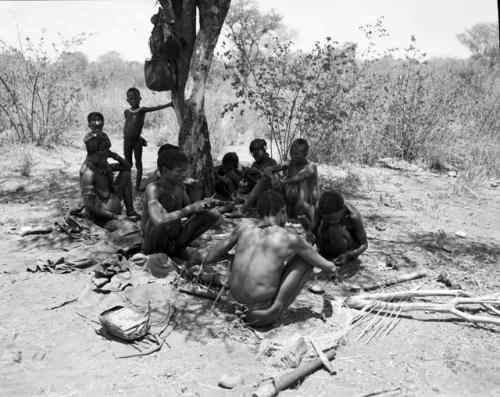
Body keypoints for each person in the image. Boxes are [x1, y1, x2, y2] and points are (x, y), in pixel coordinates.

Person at [204, 190, 337, 328]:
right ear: (282, 211)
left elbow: (210, 257)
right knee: (306, 260)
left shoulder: (244, 227)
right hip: (258, 316)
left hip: (231, 307)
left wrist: (234, 257)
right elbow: (329, 266)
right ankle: (279, 308)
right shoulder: (287, 237)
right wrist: (330, 266)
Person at [141, 148, 221, 258]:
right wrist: (191, 208)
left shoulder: (180, 186)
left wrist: (202, 204)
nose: (184, 175)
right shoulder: (154, 189)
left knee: (213, 214)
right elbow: (159, 221)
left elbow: (189, 212)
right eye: (179, 171)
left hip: (174, 238)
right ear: (165, 171)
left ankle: (179, 248)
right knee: (157, 220)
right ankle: (158, 255)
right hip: (153, 242)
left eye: (185, 171)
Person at [80, 112, 141, 229]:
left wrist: (114, 156)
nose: (105, 159)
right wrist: (115, 217)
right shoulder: (88, 173)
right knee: (129, 228)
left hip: (113, 205)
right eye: (102, 157)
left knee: (126, 175)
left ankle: (131, 211)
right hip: (103, 219)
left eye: (106, 156)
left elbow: (128, 167)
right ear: (93, 155)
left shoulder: (104, 164)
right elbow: (91, 206)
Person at [123, 87, 174, 191]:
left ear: (140, 98)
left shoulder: (142, 110)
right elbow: (129, 126)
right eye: (131, 99)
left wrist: (169, 104)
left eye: (136, 98)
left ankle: (137, 186)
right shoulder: (126, 112)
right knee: (127, 164)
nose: (134, 101)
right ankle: (126, 184)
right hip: (127, 141)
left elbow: (156, 107)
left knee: (138, 163)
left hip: (137, 141)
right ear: (127, 100)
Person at [264, 138, 318, 227]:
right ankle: (245, 208)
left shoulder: (311, 166)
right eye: (291, 153)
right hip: (290, 201)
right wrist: (273, 177)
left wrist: (284, 181)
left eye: (296, 154)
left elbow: (302, 176)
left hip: (306, 203)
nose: (293, 156)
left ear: (305, 154)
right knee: (269, 177)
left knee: (301, 181)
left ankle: (304, 216)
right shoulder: (289, 163)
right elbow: (267, 169)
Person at [312, 190, 368, 265]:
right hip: (326, 244)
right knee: (323, 226)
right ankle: (324, 253)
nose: (330, 221)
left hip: (347, 246)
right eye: (327, 219)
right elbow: (314, 229)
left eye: (333, 219)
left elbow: (364, 244)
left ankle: (338, 257)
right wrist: (310, 238)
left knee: (334, 229)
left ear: (343, 209)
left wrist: (348, 255)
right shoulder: (319, 207)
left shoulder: (353, 216)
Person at [230, 139, 278, 216]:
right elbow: (253, 185)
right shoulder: (255, 164)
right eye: (252, 153)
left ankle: (246, 209)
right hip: (256, 197)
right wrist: (244, 184)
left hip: (269, 195)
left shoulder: (271, 162)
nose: (254, 155)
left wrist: (258, 172)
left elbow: (270, 183)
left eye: (257, 152)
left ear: (264, 150)